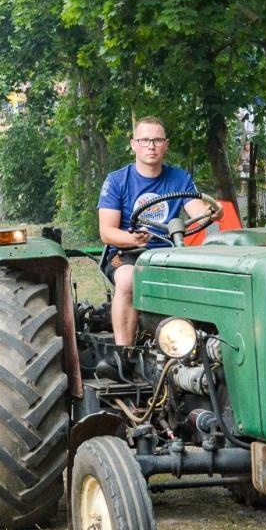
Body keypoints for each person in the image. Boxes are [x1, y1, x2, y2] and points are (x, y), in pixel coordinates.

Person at [98, 117, 213, 359]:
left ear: (166, 145)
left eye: (157, 140)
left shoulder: (179, 178)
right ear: (133, 144)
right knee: (128, 279)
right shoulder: (117, 180)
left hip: (171, 252)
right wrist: (133, 240)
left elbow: (199, 214)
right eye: (145, 140)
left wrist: (211, 214)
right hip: (127, 254)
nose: (151, 145)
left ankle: (198, 350)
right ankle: (124, 355)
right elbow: (107, 232)